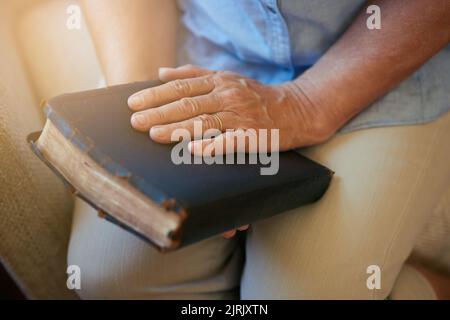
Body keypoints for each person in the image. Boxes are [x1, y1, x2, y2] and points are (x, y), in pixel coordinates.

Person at [68, 0, 450, 299]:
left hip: (379, 70)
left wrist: (306, 104)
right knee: (111, 280)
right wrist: (142, 99)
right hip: (198, 56)